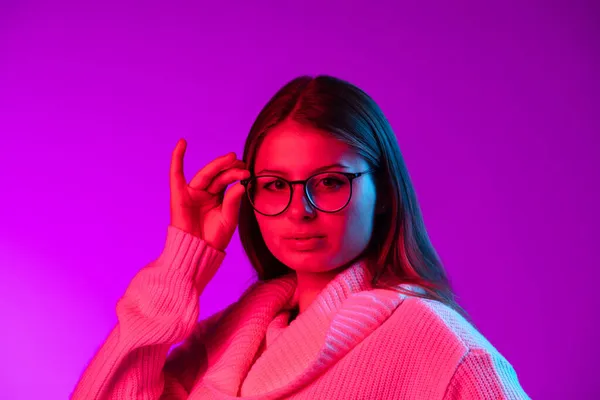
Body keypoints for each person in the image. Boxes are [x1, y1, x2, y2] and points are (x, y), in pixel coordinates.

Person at [71, 75, 530, 399]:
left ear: (385, 192)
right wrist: (180, 265)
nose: (299, 209)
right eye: (275, 185)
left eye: (330, 181)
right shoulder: (226, 343)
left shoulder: (438, 345)